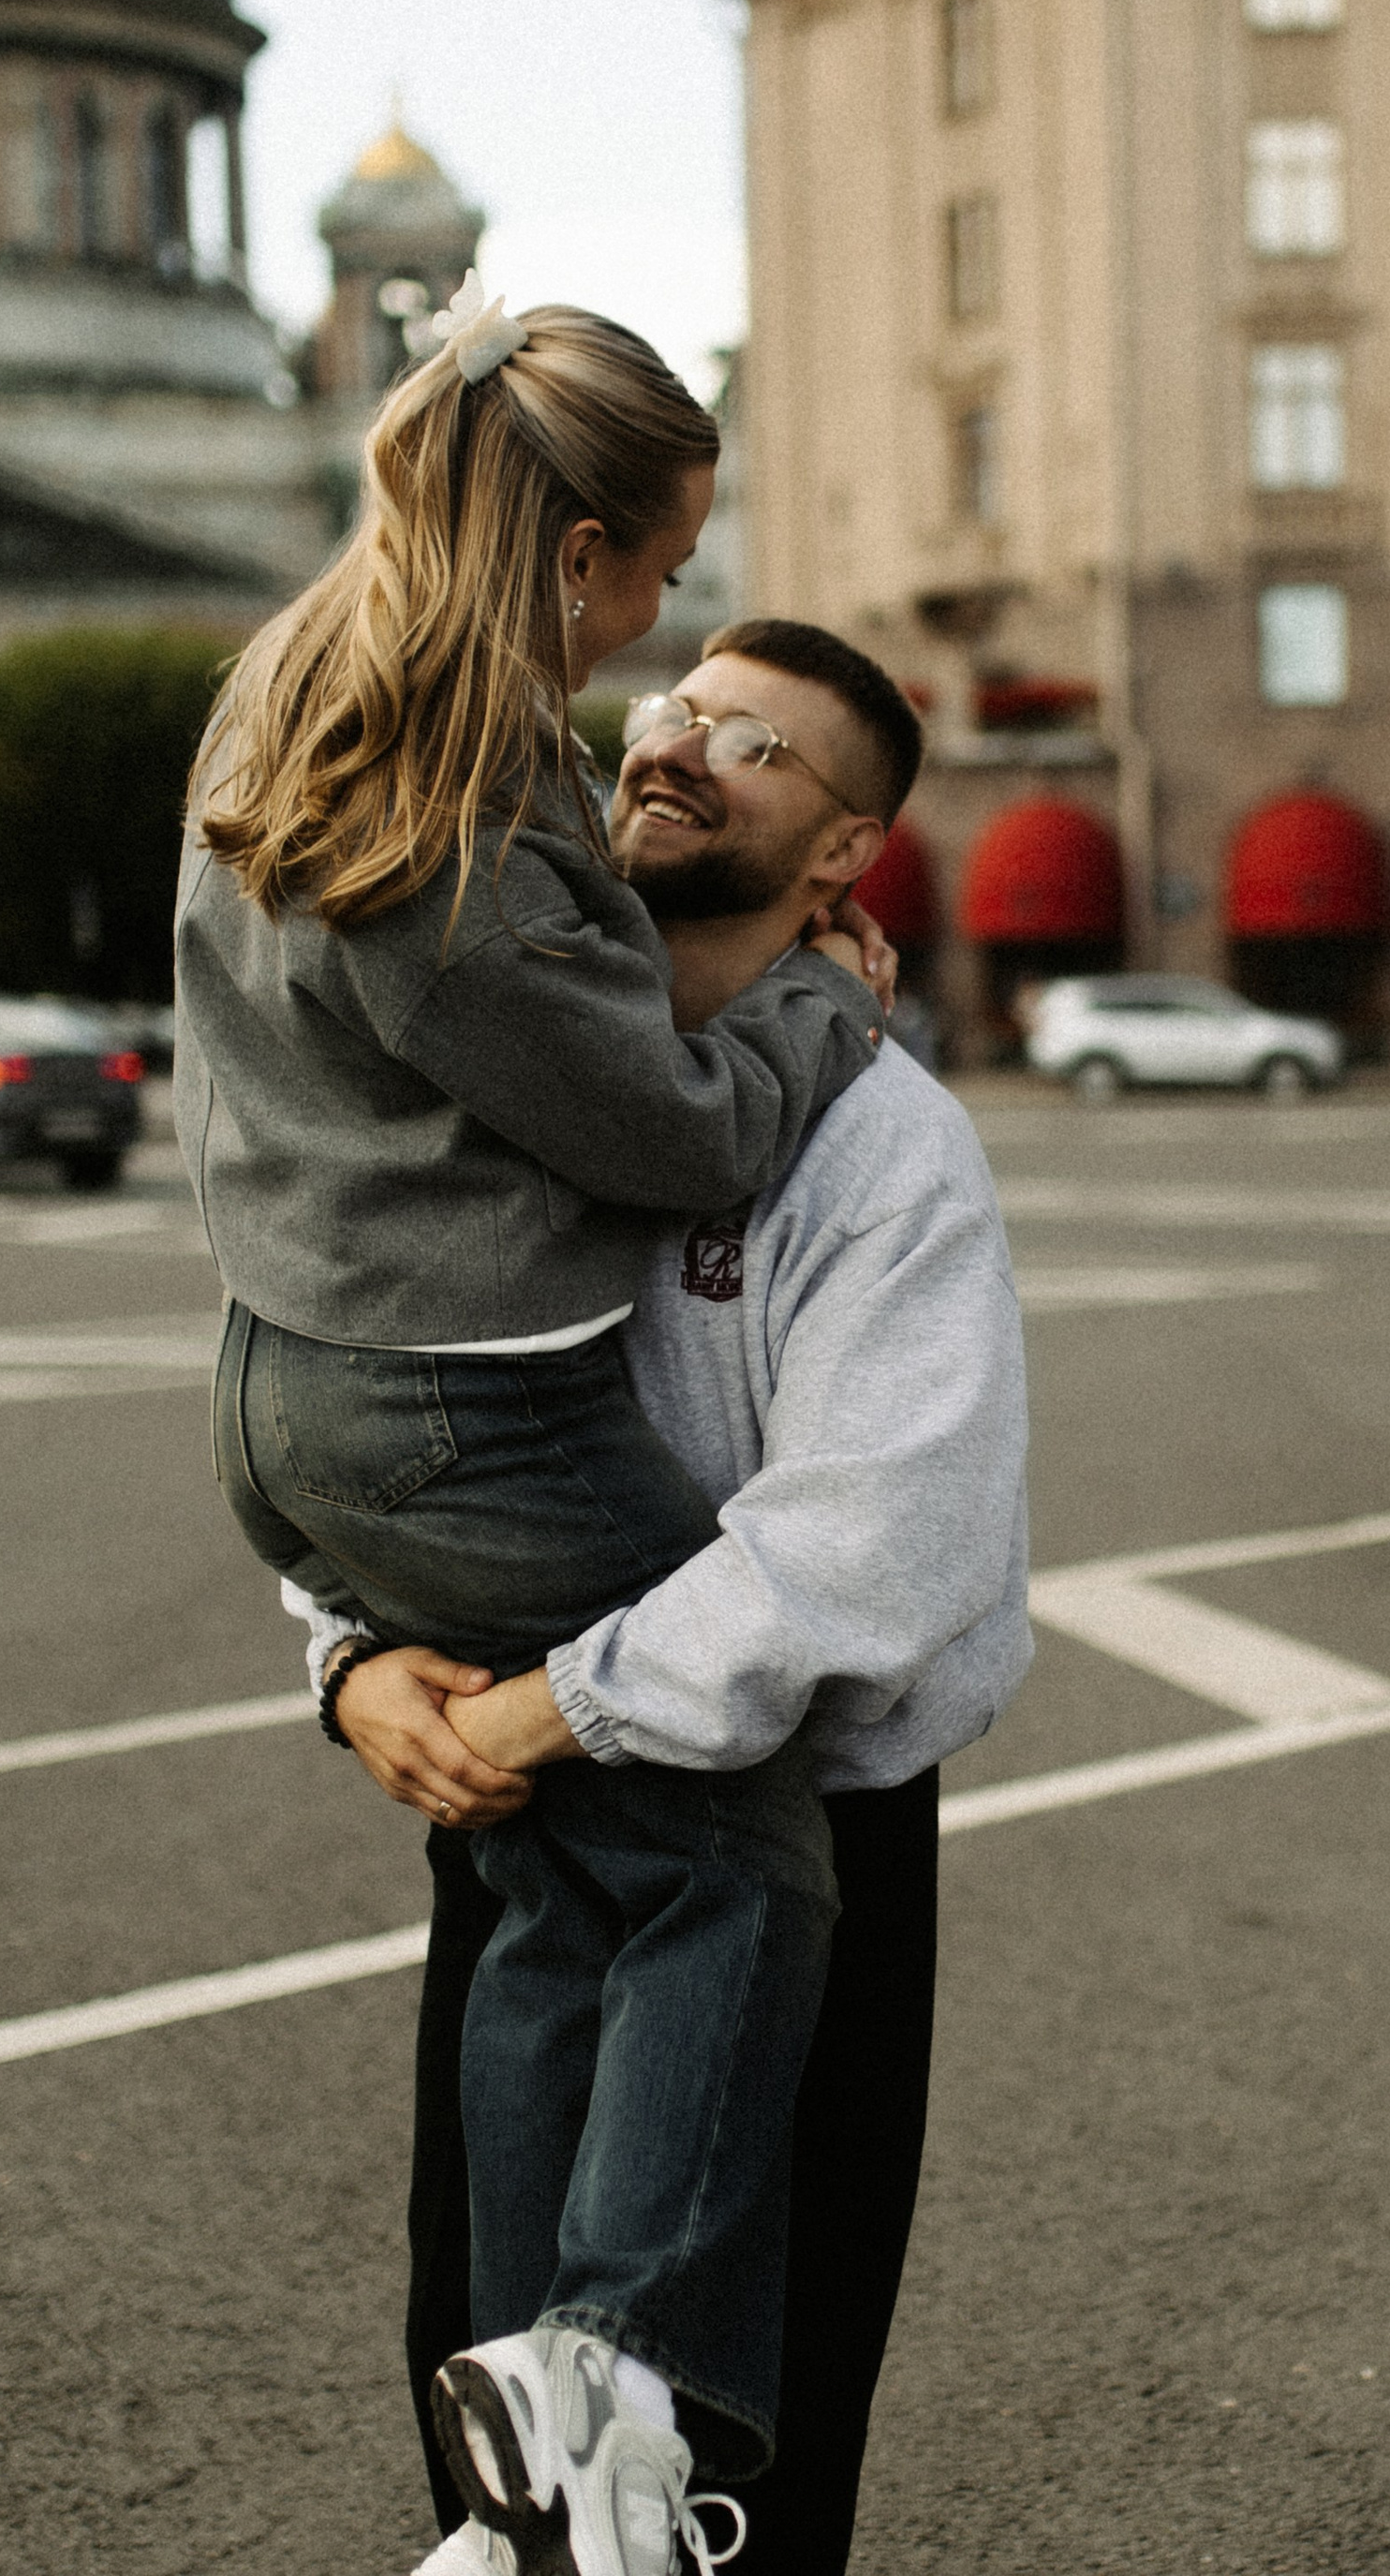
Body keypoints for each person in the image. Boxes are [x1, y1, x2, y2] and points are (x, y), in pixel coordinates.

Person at [176, 288, 893, 2576]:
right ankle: (597, 2392)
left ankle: (510, 2470)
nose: (660, 632)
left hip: (288, 1383)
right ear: (574, 550)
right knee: (736, 1853)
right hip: (455, 1406)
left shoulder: (296, 693)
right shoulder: (462, 793)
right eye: (660, 578)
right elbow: (676, 1133)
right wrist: (810, 1012)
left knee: (539, 1878)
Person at [300, 618, 1031, 2576]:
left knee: (728, 2448)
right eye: (679, 711)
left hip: (800, 1840)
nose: (685, 749)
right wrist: (354, 1660)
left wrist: (541, 1707)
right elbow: (368, 1401)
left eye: (761, 751)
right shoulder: (498, 1080)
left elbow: (877, 1535)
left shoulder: (882, 1152)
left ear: (840, 857)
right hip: (514, 1816)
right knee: (482, 2403)